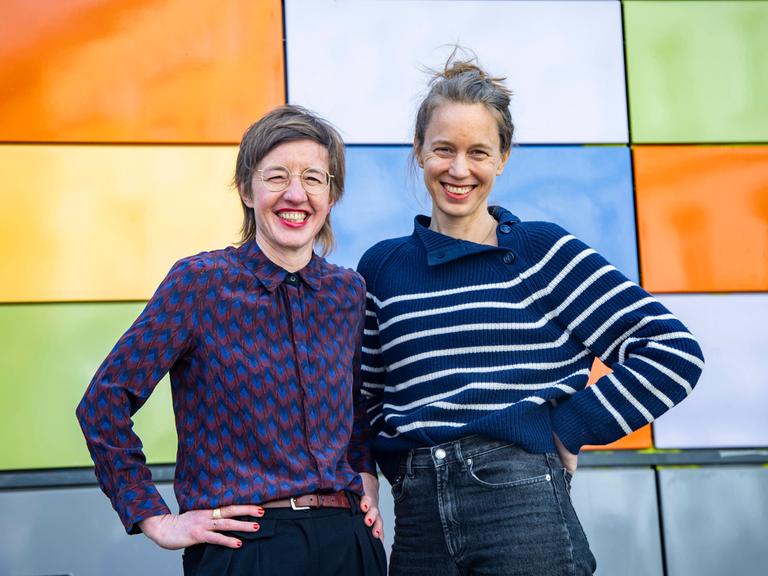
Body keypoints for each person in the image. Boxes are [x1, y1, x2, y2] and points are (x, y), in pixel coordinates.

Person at [357, 51, 704, 576]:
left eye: (478, 152)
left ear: (503, 158)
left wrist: (570, 425)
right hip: (417, 518)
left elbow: (673, 352)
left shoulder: (542, 252)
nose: (459, 169)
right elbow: (365, 397)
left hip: (521, 507)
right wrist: (389, 466)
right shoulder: (382, 267)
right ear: (418, 150)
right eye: (443, 149)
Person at [77, 105, 386, 576]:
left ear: (332, 194)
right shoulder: (200, 284)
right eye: (277, 176)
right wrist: (154, 518)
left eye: (314, 179)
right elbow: (103, 402)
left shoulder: (348, 292)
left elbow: (354, 408)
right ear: (246, 189)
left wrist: (367, 485)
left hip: (348, 541)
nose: (296, 194)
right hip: (246, 547)